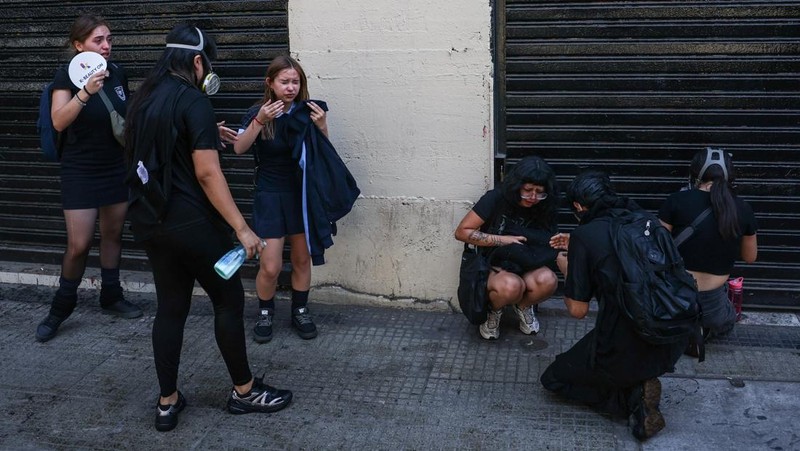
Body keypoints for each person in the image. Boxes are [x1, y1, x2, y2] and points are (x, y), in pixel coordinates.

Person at [124, 24, 292, 432]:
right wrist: (242, 229)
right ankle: (244, 392)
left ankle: (167, 402)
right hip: (196, 225)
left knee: (171, 308)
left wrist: (202, 133)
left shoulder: (145, 97)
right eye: (208, 63)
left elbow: (151, 150)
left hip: (153, 222)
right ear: (198, 61)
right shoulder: (194, 100)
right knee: (227, 301)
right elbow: (207, 173)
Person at [541, 171, 686, 441]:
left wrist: (567, 267)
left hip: (622, 341)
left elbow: (578, 310)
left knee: (554, 378)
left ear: (578, 206)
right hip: (671, 336)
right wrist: (580, 245)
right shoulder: (645, 218)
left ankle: (633, 396)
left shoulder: (585, 234)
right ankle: (640, 384)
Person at [35, 15, 141, 343]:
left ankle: (111, 294)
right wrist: (84, 93)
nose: (106, 46)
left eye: (109, 39)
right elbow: (58, 121)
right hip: (80, 169)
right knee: (79, 244)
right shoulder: (66, 76)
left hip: (115, 167)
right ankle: (61, 307)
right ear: (79, 45)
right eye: (98, 40)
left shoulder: (118, 72)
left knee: (113, 235)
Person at [232, 55, 329, 343]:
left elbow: (323, 155)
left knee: (301, 259)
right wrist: (260, 121)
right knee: (271, 266)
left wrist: (322, 127)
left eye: (295, 82)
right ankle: (265, 312)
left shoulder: (308, 112)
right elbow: (238, 148)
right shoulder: (257, 112)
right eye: (284, 82)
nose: (290, 88)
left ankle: (300, 310)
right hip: (270, 195)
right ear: (270, 83)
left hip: (301, 194)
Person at [659, 148, 758, 355]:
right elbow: (750, 257)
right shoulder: (743, 208)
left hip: (675, 299)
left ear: (695, 174)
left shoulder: (675, 201)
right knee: (727, 317)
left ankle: (684, 331)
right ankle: (702, 330)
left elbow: (658, 247)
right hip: (714, 309)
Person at [454, 156, 560, 340]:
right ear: (517, 186)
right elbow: (462, 232)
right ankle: (493, 312)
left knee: (549, 280)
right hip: (493, 263)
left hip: (527, 261)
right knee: (512, 286)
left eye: (539, 192)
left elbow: (549, 239)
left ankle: (523, 306)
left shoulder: (545, 205)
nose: (533, 197)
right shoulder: (496, 198)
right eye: (527, 190)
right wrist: (502, 240)